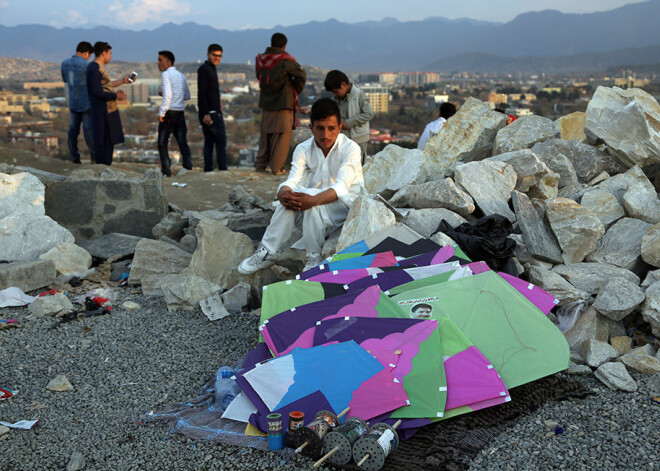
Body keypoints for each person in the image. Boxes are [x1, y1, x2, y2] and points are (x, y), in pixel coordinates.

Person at [238, 98, 363, 275]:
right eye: (320, 128)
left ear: (340, 128)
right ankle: (268, 252)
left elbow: (342, 187)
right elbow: (293, 179)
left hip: (345, 208)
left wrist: (312, 199)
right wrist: (283, 192)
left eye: (331, 128)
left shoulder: (351, 148)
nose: (325, 135)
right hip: (315, 208)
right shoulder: (303, 149)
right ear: (311, 128)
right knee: (290, 199)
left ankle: (313, 256)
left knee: (308, 197)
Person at [254, 32, 306, 175]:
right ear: (284, 46)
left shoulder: (260, 60)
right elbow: (301, 75)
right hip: (283, 102)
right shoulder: (286, 61)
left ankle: (260, 165)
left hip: (266, 102)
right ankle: (277, 168)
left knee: (266, 135)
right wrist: (294, 87)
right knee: (282, 135)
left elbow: (259, 76)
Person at [86, 41, 130, 166]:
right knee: (103, 145)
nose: (111, 56)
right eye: (110, 53)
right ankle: (103, 172)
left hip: (106, 111)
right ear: (103, 53)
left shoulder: (96, 68)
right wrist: (116, 96)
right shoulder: (94, 69)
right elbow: (97, 93)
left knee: (108, 143)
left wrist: (122, 81)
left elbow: (105, 86)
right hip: (102, 112)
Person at [324, 70, 374, 164]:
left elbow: (369, 114)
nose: (334, 94)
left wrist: (350, 123)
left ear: (343, 84)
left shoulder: (359, 95)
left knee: (358, 165)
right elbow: (328, 109)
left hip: (358, 139)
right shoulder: (336, 99)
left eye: (336, 91)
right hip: (343, 139)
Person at [157, 50, 192, 177]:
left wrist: (162, 112)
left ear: (169, 61)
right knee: (182, 141)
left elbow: (168, 95)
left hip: (169, 113)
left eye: (161, 60)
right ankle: (188, 167)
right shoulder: (181, 75)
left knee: (162, 142)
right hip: (180, 112)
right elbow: (187, 95)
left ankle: (166, 169)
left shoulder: (166, 75)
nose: (158, 63)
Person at [61, 41, 95, 164]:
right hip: (86, 103)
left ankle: (74, 156)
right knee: (89, 131)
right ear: (86, 53)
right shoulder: (88, 65)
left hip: (73, 102)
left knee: (73, 130)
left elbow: (66, 81)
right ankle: (94, 157)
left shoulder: (65, 64)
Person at [197, 43, 226, 172]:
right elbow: (202, 93)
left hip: (212, 111)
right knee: (220, 142)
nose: (217, 58)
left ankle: (208, 168)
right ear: (208, 54)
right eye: (214, 55)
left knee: (209, 142)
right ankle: (221, 168)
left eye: (219, 56)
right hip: (211, 113)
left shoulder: (211, 69)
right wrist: (206, 113)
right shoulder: (205, 69)